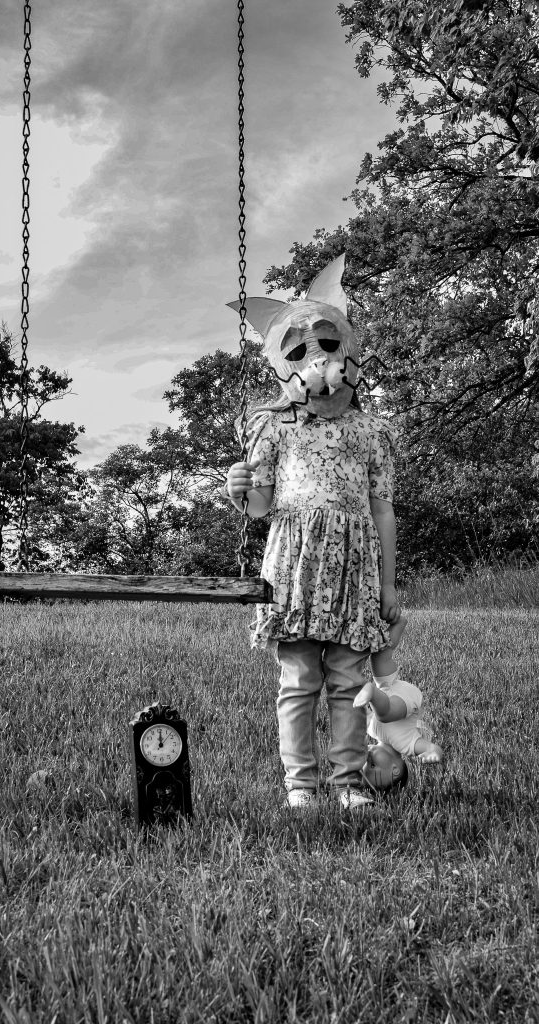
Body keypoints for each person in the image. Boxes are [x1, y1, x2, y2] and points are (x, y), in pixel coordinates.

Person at [225, 253, 400, 811]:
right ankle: (300, 784)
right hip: (294, 562)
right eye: (298, 350)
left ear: (349, 351)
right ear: (281, 363)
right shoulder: (273, 425)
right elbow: (259, 507)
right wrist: (240, 490)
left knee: (349, 680)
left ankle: (347, 782)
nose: (318, 361)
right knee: (299, 680)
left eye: (328, 345)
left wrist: (388, 585)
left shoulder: (370, 430)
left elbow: (383, 511)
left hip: (353, 564)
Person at [354, 616, 443, 763]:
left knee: (379, 657)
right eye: (373, 766)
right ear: (394, 769)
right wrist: (434, 754)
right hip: (406, 700)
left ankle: (398, 624)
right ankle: (372, 691)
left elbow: (359, 709)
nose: (367, 760)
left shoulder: (373, 731)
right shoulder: (407, 745)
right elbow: (433, 749)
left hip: (387, 688)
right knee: (385, 715)